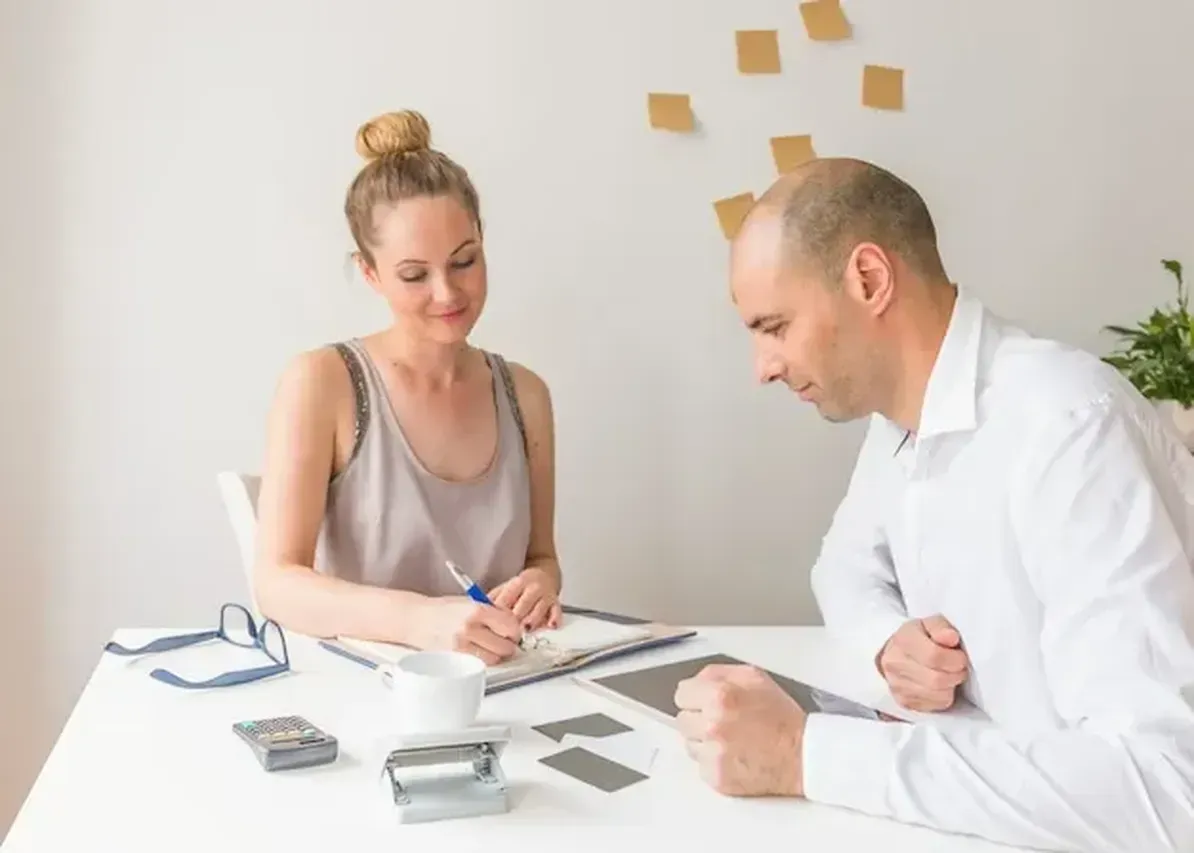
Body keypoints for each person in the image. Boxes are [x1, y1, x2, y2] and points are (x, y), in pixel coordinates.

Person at [674, 157, 1194, 852]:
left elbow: (1164, 789)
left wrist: (804, 754)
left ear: (869, 279)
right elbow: (842, 569)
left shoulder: (1070, 427)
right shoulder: (901, 418)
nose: (762, 368)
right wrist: (888, 639)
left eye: (775, 326)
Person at [251, 109, 562, 666]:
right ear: (370, 273)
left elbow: (542, 557)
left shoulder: (527, 395)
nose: (448, 293)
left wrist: (540, 583)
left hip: (506, 686)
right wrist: (420, 621)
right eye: (415, 274)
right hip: (367, 691)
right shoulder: (323, 383)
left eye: (464, 261)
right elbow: (276, 583)